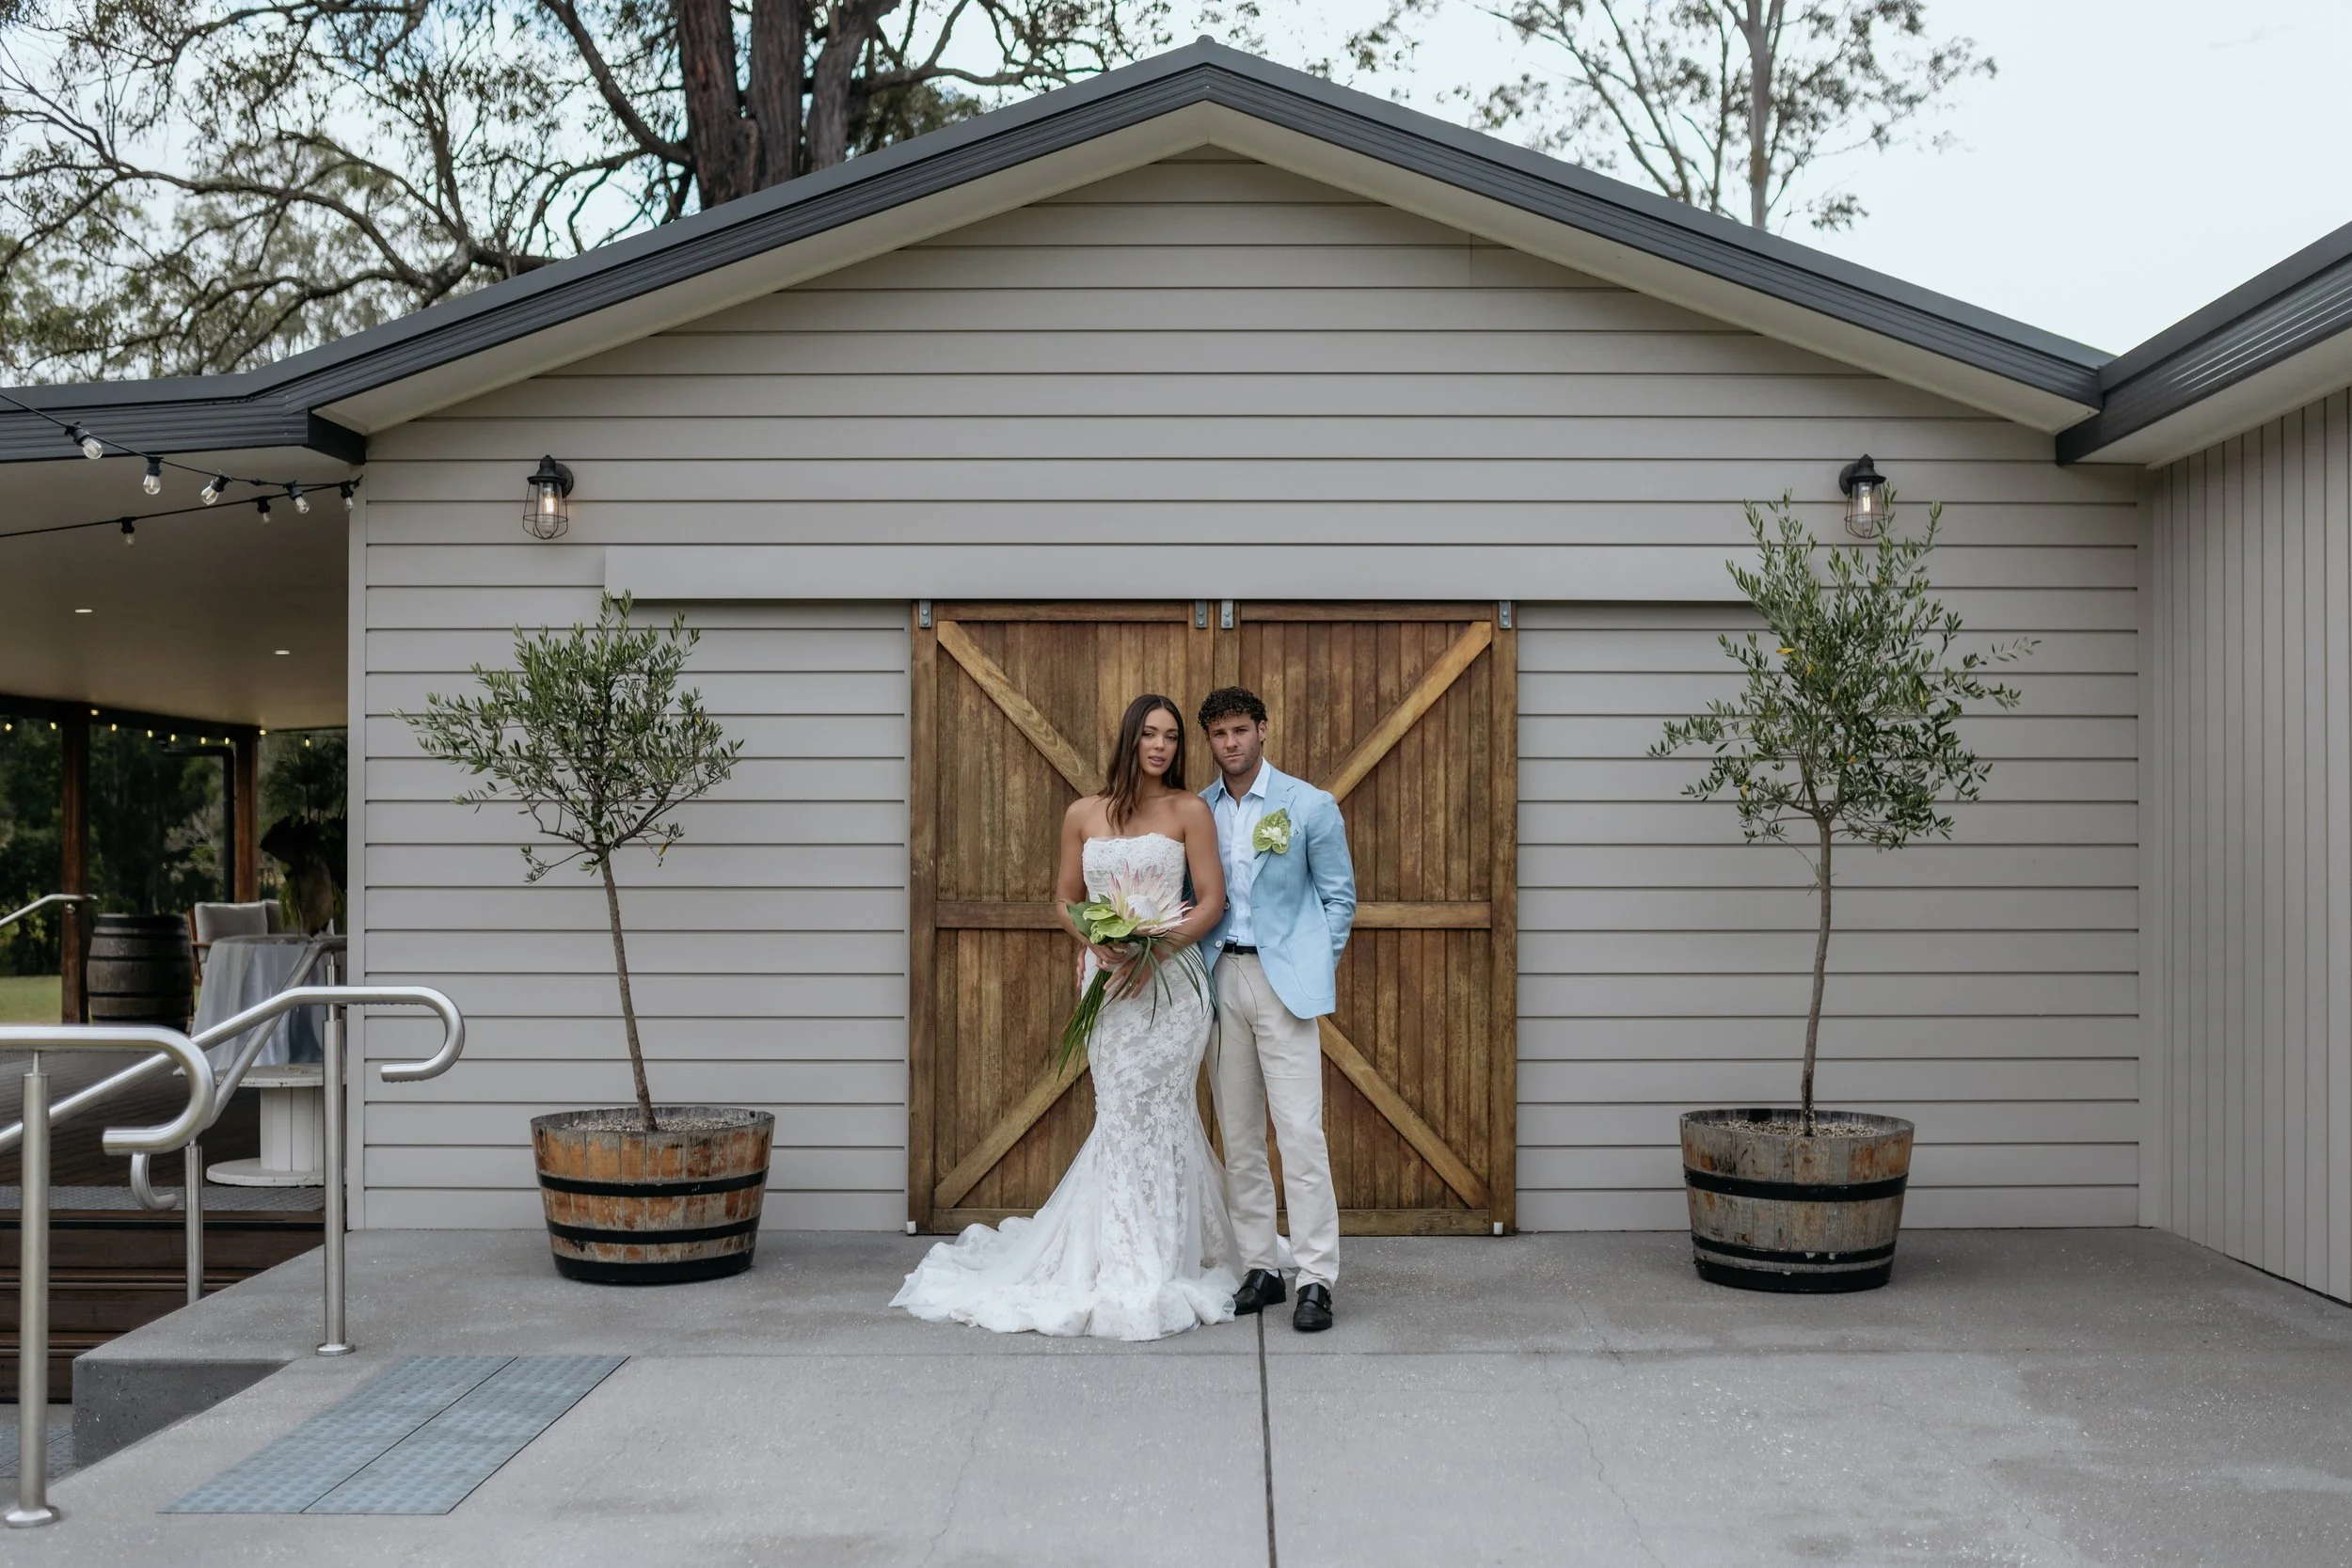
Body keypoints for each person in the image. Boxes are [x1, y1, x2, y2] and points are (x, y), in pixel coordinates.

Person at [892, 693, 1241, 1339]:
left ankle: (1165, 1254)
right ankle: (1120, 1251)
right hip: (1107, 983)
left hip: (1171, 989)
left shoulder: (1191, 809)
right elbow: (1063, 898)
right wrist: (1095, 940)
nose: (1161, 746)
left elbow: (1211, 902)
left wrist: (1155, 948)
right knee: (1119, 1113)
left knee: (1162, 1112)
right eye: (1150, 734)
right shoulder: (1083, 813)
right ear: (1130, 739)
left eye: (1170, 737)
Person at [1198, 686, 1357, 1333]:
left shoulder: (1308, 804)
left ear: (1263, 729)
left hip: (1284, 982)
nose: (1230, 743)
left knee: (1300, 1133)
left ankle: (1317, 1276)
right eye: (1218, 734)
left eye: (1239, 730)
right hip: (1219, 977)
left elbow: (1340, 897)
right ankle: (1261, 1267)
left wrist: (1315, 962)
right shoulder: (1198, 809)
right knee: (1238, 1136)